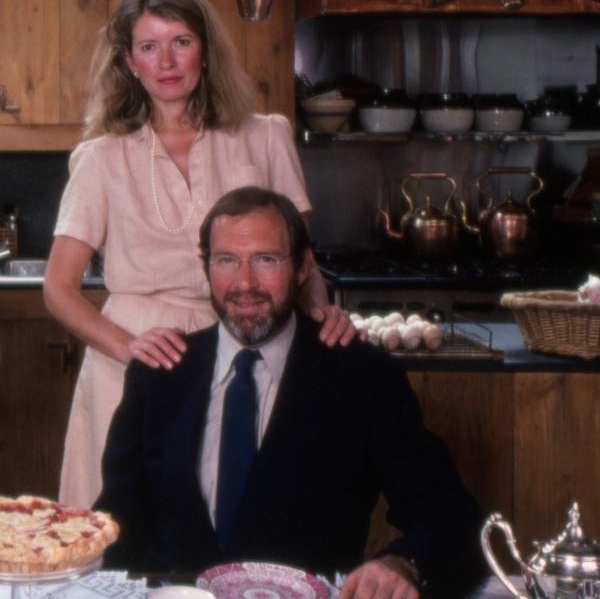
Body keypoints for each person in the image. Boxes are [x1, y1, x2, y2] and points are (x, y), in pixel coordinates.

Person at [45, 0, 357, 508]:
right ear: (129, 62)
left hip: (247, 350)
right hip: (134, 361)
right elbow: (58, 287)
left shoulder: (265, 136)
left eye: (181, 42)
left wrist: (322, 318)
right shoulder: (101, 159)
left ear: (206, 51)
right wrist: (127, 347)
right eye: (149, 46)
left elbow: (302, 264)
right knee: (121, 529)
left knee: (238, 518)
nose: (167, 61)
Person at [96, 187, 487, 599]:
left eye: (266, 260)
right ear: (207, 267)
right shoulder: (159, 374)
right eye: (226, 260)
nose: (244, 283)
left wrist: (402, 564)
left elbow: (453, 520)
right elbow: (112, 527)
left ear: (303, 267)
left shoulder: (364, 378)